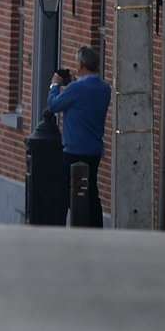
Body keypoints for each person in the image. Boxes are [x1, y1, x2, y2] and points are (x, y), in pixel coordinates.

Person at [46, 45, 112, 227]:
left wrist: (55, 84)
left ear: (81, 64)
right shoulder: (105, 89)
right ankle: (96, 228)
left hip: (74, 150)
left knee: (65, 192)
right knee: (91, 190)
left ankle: (61, 227)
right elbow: (85, 100)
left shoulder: (75, 89)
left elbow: (52, 105)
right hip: (94, 150)